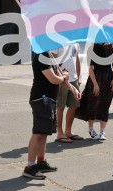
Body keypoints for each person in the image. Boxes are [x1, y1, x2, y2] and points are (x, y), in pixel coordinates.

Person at [24, 49, 76, 180]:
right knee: (38, 133)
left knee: (44, 132)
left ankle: (41, 162)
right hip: (41, 99)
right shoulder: (41, 56)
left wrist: (72, 88)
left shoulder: (49, 56)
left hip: (48, 99)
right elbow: (54, 79)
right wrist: (64, 76)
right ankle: (30, 167)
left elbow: (60, 77)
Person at [76, 43, 113, 140]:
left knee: (105, 104)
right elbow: (90, 68)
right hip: (96, 77)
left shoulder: (111, 47)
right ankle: (91, 129)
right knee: (92, 103)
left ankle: (102, 131)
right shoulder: (93, 48)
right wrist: (95, 84)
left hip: (108, 78)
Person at [54, 43, 84, 143]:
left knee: (74, 104)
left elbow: (76, 59)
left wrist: (79, 76)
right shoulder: (57, 42)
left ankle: (68, 131)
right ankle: (59, 133)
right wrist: (57, 79)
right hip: (62, 79)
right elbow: (53, 62)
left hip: (73, 78)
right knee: (60, 106)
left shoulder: (75, 42)